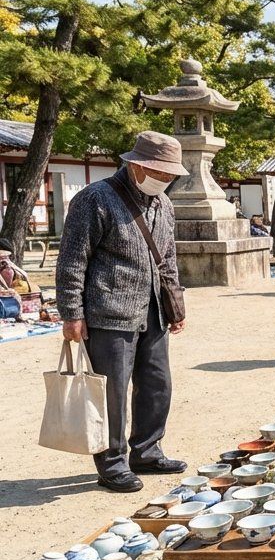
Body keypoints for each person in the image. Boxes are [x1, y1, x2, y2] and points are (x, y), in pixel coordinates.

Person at [55, 131, 190, 493]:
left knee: (157, 384)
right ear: (135, 165)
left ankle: (146, 450)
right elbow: (72, 260)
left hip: (153, 310)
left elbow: (169, 259)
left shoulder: (163, 204)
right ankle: (112, 463)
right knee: (111, 390)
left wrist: (175, 305)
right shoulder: (94, 199)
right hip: (107, 311)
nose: (164, 179)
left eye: (169, 175)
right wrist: (71, 312)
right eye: (159, 172)